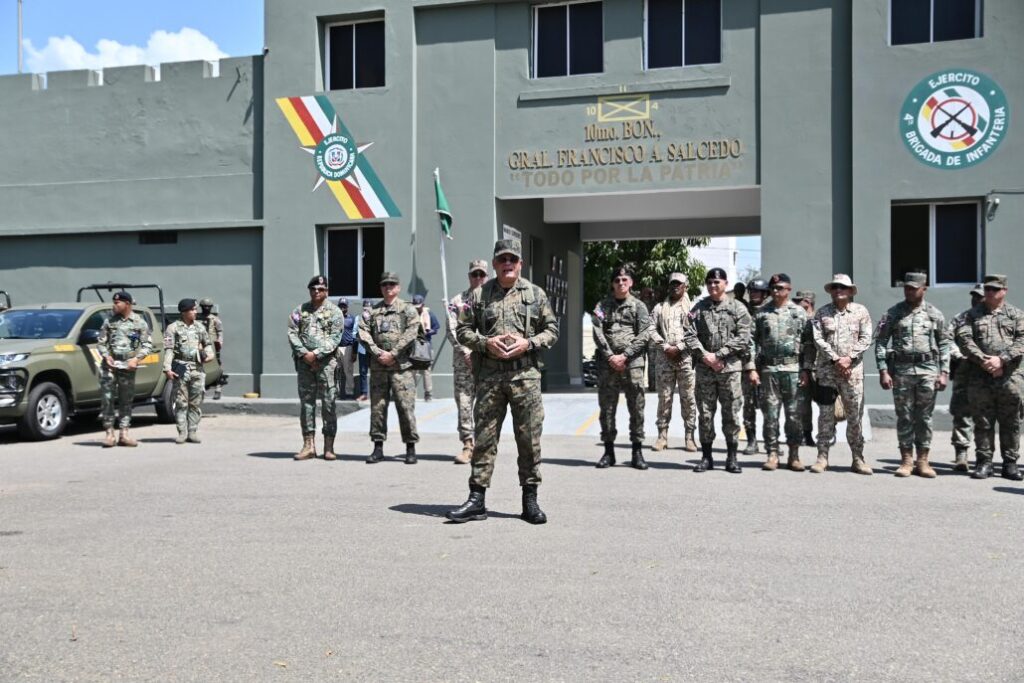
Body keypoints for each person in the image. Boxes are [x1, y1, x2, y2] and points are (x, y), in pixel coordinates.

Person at [447, 238, 559, 525]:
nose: (508, 263)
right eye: (502, 259)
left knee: (529, 440)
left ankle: (530, 500)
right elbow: (462, 331)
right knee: (484, 439)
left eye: (513, 259)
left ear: (520, 263)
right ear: (495, 264)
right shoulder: (479, 296)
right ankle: (476, 500)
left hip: (526, 378)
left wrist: (529, 343)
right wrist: (485, 343)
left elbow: (552, 331)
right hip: (490, 377)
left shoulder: (535, 294)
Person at [874, 272, 950, 478]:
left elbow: (944, 344)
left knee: (924, 417)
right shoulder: (893, 313)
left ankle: (923, 460)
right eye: (906, 287)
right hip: (902, 372)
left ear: (923, 289)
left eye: (914, 288)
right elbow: (880, 342)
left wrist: (944, 372)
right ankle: (906, 460)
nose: (909, 291)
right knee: (905, 416)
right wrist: (883, 370)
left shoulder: (934, 314)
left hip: (928, 371)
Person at [683, 267, 754, 474]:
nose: (713, 286)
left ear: (725, 283)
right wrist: (705, 355)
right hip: (705, 369)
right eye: (710, 282)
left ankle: (732, 458)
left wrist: (719, 355)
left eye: (717, 282)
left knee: (731, 413)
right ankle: (706, 457)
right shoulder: (699, 308)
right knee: (705, 413)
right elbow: (689, 333)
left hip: (729, 369)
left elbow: (743, 337)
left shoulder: (738, 308)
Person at [955, 274, 1024, 481]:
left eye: (995, 289)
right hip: (980, 376)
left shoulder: (1016, 315)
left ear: (1004, 291)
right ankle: (984, 462)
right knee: (982, 421)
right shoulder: (971, 315)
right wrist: (985, 360)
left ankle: (1010, 463)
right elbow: (964, 340)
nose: (990, 293)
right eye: (987, 289)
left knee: (1011, 421)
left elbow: (1022, 341)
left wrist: (1001, 360)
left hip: (1010, 377)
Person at [810, 274, 874, 475]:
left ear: (850, 291)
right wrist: (836, 359)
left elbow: (866, 338)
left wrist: (849, 358)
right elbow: (817, 339)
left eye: (843, 287)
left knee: (855, 415)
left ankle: (858, 458)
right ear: (831, 291)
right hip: (828, 372)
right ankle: (822, 457)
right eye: (835, 287)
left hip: (852, 373)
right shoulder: (822, 313)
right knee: (826, 415)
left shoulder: (860, 312)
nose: (839, 290)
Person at [592, 264, 652, 469]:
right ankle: (609, 452)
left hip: (632, 364)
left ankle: (637, 452)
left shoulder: (639, 306)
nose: (620, 283)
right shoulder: (602, 306)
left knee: (636, 407)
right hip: (608, 365)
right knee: (607, 408)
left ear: (631, 283)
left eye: (624, 280)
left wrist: (625, 356)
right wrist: (610, 356)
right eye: (617, 280)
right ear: (612, 283)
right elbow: (597, 331)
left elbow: (645, 334)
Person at [359, 272, 420, 464]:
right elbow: (363, 332)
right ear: (381, 288)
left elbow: (412, 331)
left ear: (398, 288)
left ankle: (410, 448)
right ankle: (378, 447)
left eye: (392, 284)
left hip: (401, 367)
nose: (388, 287)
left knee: (405, 407)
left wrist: (393, 353)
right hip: (378, 367)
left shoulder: (407, 309)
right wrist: (378, 353)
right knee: (378, 408)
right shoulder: (372, 311)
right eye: (385, 285)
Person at [750, 273, 810, 471]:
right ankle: (772, 454)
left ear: (789, 289)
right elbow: (751, 342)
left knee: (794, 415)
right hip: (769, 370)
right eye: (773, 288)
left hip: (793, 369)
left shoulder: (799, 312)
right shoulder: (761, 313)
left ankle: (794, 454)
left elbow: (809, 344)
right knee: (770, 414)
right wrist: (751, 368)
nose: (776, 291)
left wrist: (806, 369)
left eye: (780, 288)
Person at [287, 275, 345, 461]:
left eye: (320, 289)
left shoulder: (335, 312)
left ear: (326, 291)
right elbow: (292, 333)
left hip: (326, 364)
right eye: (313, 289)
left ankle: (329, 446)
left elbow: (336, 337)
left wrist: (317, 354)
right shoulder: (300, 310)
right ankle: (308, 445)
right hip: (304, 364)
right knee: (307, 405)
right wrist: (305, 354)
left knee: (328, 404)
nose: (316, 292)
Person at [97, 291, 153, 448]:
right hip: (110, 365)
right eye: (114, 302)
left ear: (127, 304)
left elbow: (146, 344)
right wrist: (106, 356)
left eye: (117, 303)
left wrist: (136, 359)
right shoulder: (109, 321)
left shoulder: (138, 322)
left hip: (127, 365)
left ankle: (124, 433)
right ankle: (109, 434)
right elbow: (101, 342)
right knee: (107, 397)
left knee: (126, 399)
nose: (114, 305)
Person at [446, 259, 489, 464]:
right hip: (464, 364)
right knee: (464, 404)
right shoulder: (458, 301)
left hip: (488, 363)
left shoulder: (494, 300)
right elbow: (452, 329)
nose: (478, 278)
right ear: (469, 276)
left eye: (482, 274)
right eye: (475, 274)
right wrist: (466, 352)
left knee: (486, 406)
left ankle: (484, 446)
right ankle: (467, 445)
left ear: (487, 276)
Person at [649, 272, 698, 453]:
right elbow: (650, 329)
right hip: (664, 359)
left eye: (679, 284)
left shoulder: (692, 308)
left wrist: (680, 347)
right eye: (672, 284)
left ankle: (689, 436)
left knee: (688, 398)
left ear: (685, 286)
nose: (675, 286)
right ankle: (662, 436)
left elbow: (696, 332)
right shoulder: (659, 308)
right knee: (664, 398)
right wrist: (665, 347)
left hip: (684, 359)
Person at [163, 298, 215, 444]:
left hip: (197, 369)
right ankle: (181, 432)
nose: (195, 312)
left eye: (195, 309)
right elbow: (169, 350)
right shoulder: (173, 328)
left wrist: (209, 354)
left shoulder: (200, 327)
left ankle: (192, 431)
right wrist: (167, 368)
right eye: (192, 310)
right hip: (181, 368)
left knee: (195, 402)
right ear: (184, 312)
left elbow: (208, 344)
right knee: (181, 402)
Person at [948, 284, 984, 471]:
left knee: (985, 416)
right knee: (962, 413)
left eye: (980, 296)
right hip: (964, 371)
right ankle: (961, 454)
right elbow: (947, 339)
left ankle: (984, 456)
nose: (976, 299)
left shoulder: (996, 319)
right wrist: (958, 355)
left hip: (987, 373)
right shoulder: (961, 318)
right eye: (974, 296)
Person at [741, 278, 770, 455]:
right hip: (747, 365)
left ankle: (770, 440)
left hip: (767, 365)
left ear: (765, 293)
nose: (753, 294)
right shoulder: (743, 311)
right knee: (749, 404)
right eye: (751, 291)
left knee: (770, 405)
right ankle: (751, 441)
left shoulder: (770, 311)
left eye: (757, 292)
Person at [792, 290, 818, 446]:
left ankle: (828, 432)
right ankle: (806, 434)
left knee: (826, 403)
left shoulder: (820, 318)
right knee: (803, 402)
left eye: (799, 301)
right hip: (803, 365)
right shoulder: (797, 319)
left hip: (821, 367)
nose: (796, 304)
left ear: (807, 302)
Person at [411, 294, 440, 401]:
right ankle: (412, 394)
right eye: (415, 306)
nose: (417, 308)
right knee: (412, 370)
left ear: (423, 304)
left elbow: (436, 327)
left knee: (426, 370)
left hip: (426, 345)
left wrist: (428, 332)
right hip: (413, 345)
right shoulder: (410, 314)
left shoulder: (429, 314)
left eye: (419, 306)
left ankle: (428, 394)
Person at [198, 298, 226, 399]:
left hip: (213, 344)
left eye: (208, 306)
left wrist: (220, 341)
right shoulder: (197, 318)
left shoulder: (215, 319)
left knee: (217, 365)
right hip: (200, 344)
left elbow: (220, 331)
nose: (206, 308)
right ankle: (201, 389)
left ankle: (218, 388)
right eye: (204, 306)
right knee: (200, 365)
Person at [335, 298, 357, 399]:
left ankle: (349, 393)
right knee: (336, 371)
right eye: (340, 306)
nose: (342, 308)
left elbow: (355, 335)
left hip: (348, 347)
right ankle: (337, 393)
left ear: (347, 307)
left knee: (348, 371)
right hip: (336, 348)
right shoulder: (334, 318)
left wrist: (354, 352)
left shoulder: (352, 318)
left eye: (344, 306)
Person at [356, 299, 372, 401]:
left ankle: (376, 392)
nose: (366, 309)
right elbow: (354, 332)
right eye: (365, 307)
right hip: (362, 348)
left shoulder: (375, 318)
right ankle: (364, 393)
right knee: (363, 372)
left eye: (369, 307)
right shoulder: (358, 318)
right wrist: (359, 337)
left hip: (373, 349)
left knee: (376, 371)